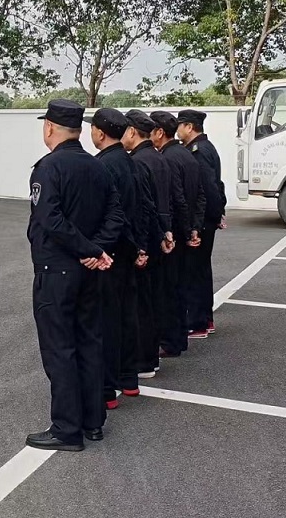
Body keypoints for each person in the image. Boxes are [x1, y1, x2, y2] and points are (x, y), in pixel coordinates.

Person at [26, 99, 125, 452]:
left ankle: (67, 429)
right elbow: (116, 216)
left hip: (56, 271)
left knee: (60, 349)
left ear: (50, 127)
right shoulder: (98, 167)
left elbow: (50, 221)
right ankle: (93, 422)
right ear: (78, 130)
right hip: (89, 272)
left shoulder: (47, 168)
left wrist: (90, 250)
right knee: (89, 343)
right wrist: (97, 249)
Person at [85, 108, 146, 411]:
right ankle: (129, 378)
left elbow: (105, 214)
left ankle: (107, 389)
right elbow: (142, 208)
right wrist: (140, 246)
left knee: (106, 320)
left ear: (100, 132)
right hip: (128, 249)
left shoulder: (102, 166)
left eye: (92, 128)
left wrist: (97, 249)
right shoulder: (131, 161)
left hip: (109, 252)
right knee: (126, 315)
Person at [122, 109, 174, 381]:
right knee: (152, 299)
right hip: (157, 235)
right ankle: (151, 357)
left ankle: (144, 361)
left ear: (132, 131)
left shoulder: (138, 162)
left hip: (146, 238)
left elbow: (144, 207)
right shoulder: (158, 157)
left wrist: (140, 245)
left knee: (140, 303)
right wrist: (166, 231)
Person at [151, 110, 205, 358]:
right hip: (185, 231)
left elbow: (177, 199)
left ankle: (171, 342)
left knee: (169, 291)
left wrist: (179, 230)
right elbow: (200, 195)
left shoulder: (167, 158)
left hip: (174, 234)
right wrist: (194, 227)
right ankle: (179, 338)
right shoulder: (186, 154)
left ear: (160, 132)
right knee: (180, 288)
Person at [176, 109, 226, 338]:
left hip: (201, 220)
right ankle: (205, 319)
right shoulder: (206, 147)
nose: (177, 130)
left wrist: (213, 216)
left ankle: (197, 323)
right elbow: (218, 186)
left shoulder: (198, 151)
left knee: (195, 271)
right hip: (207, 218)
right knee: (202, 270)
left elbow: (207, 188)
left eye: (180, 125)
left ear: (189, 127)